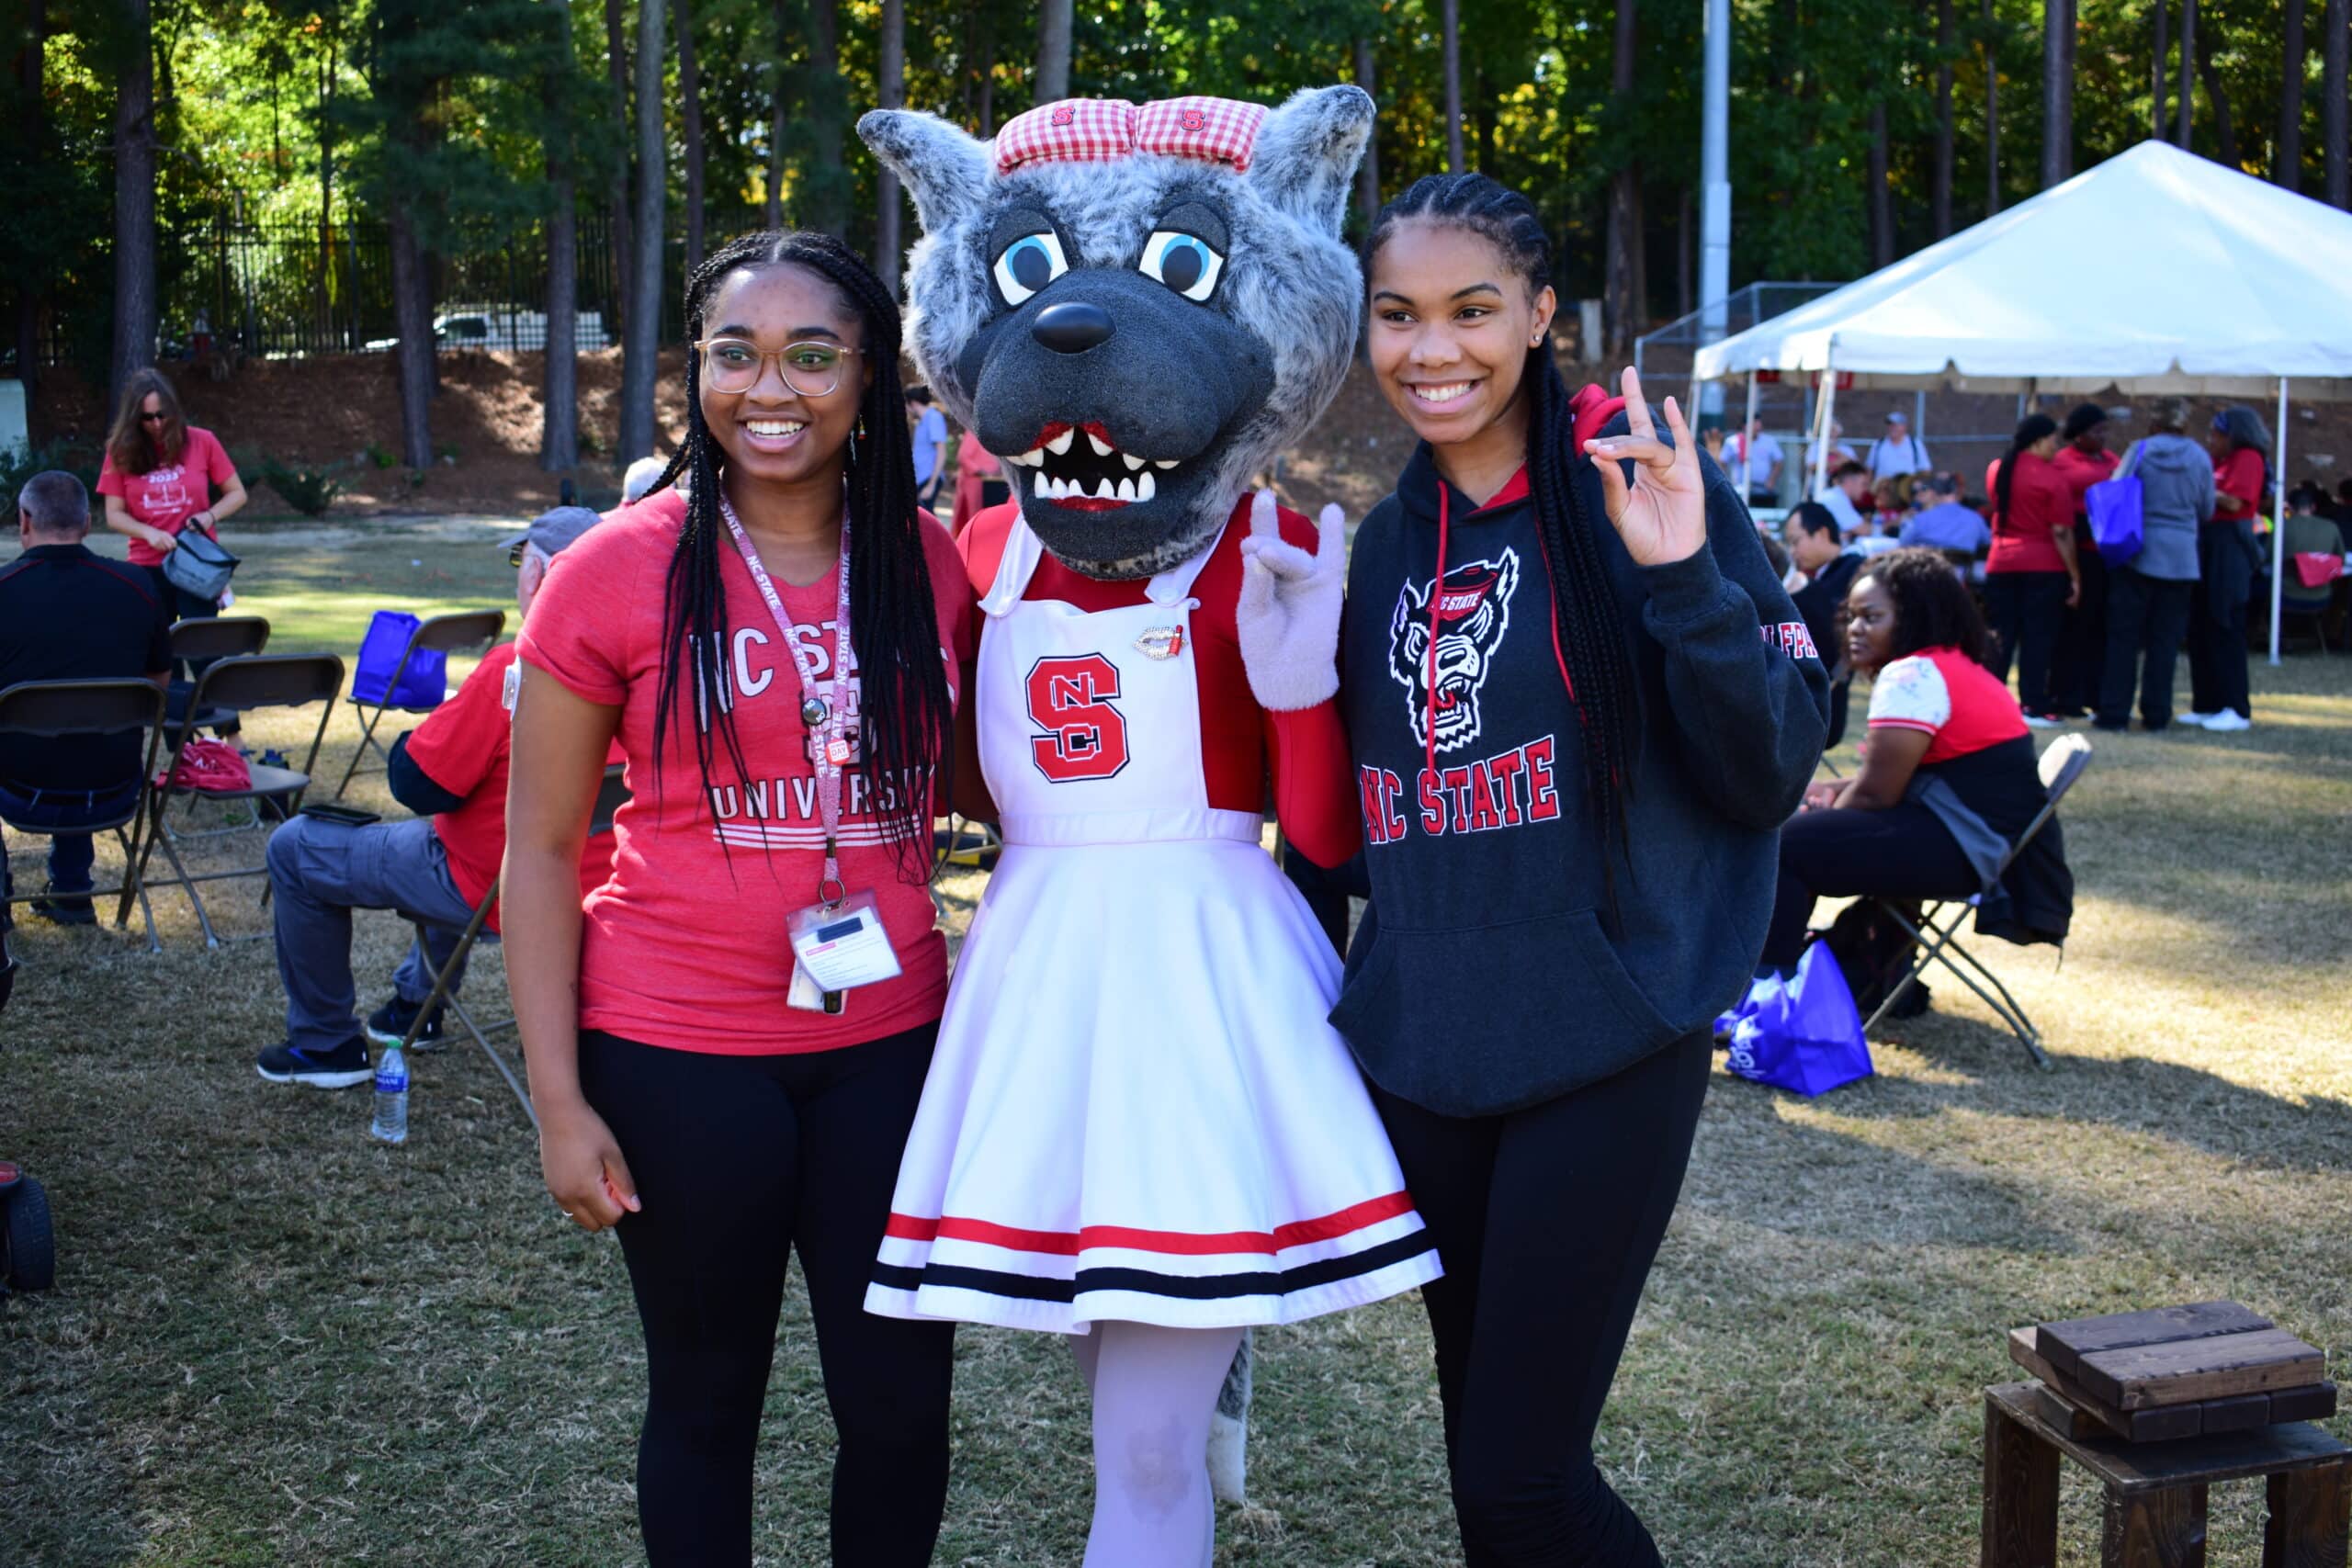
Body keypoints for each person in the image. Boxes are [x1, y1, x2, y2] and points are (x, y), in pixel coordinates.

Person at [1345, 174, 1828, 1566]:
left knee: (1520, 1479)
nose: (1432, 349)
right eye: (1399, 314)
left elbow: (1771, 768)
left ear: (1543, 314)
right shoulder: (1383, 540)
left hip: (1607, 1030)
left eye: (1472, 309)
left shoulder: (1644, 479)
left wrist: (1685, 578)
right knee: (1485, 1463)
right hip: (1432, 1045)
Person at [503, 231, 971, 1566]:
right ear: (695, 370)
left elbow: (1004, 781)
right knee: (707, 1403)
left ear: (871, 375)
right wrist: (559, 1098)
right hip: (677, 1054)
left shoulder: (925, 561)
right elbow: (539, 851)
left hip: (892, 1046)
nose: (773, 386)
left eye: (813, 354)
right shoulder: (616, 566)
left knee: (900, 1411)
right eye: (735, 352)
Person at [253, 506, 616, 1088]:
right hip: (599, 887)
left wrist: (422, 733)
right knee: (470, 829)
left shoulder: (518, 668)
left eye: (520, 561)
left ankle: (325, 1047)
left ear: (541, 575)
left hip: (502, 886)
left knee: (297, 847)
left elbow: (418, 785)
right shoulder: (648, 665)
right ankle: (413, 1010)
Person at [1766, 547, 2071, 974]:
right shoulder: (1957, 666)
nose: (1854, 629)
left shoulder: (1912, 675)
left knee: (1786, 844)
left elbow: (1875, 795)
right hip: (1986, 845)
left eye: (1871, 617)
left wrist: (1820, 812)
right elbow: (1905, 777)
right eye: (1851, 616)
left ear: (1913, 618)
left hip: (1966, 848)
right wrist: (1829, 794)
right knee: (1805, 831)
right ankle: (1853, 975)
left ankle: (1765, 988)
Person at [0, 471, 171, 925]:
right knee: (81, 727)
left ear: (24, 521)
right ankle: (73, 891)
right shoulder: (137, 586)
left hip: (17, 791)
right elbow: (158, 687)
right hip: (115, 786)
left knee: (40, 738)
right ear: (88, 523)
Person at [97, 367, 247, 631]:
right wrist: (148, 533)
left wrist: (209, 516)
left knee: (203, 650)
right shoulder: (120, 451)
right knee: (159, 657)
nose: (156, 424)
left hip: (196, 563)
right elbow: (114, 514)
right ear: (134, 418)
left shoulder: (202, 441)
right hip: (148, 566)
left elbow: (237, 493)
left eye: (161, 415)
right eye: (147, 417)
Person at [2095, 398, 2211, 733]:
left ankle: (2115, 713)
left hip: (2138, 553)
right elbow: (2206, 508)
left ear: (2154, 423)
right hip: (2181, 559)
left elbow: (2116, 492)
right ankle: (2157, 714)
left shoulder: (2140, 451)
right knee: (2165, 642)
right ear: (2184, 424)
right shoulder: (2199, 457)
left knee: (2123, 639)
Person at [1982, 413, 2079, 725]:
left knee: (2001, 637)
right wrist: (2076, 576)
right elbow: (2062, 532)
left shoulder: (1998, 469)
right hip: (2042, 566)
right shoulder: (2051, 478)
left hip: (2001, 562)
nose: (2056, 447)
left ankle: (1991, 700)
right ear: (2038, 441)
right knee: (2037, 638)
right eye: (2053, 441)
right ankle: (2034, 703)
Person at [2187, 406, 2268, 731]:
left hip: (2230, 545)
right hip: (2208, 542)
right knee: (2202, 625)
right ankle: (2206, 703)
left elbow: (2235, 501)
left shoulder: (2248, 457)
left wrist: (2201, 488)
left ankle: (2235, 707)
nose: (2211, 440)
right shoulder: (2218, 461)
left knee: (2225, 622)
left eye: (2217, 434)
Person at [2047, 403, 2118, 717]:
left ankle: (2097, 693)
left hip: (2107, 554)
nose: (2102, 437)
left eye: (2105, 430)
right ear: (2077, 435)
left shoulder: (2110, 459)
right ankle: (2067, 695)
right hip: (2078, 553)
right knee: (2074, 628)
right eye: (2095, 431)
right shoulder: (2063, 463)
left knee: (2101, 627)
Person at [1787, 502, 1859, 745]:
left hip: (1825, 699)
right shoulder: (1821, 578)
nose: (1793, 551)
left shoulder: (1855, 572)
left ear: (1822, 534)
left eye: (1796, 541)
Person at [1900, 471, 1992, 556]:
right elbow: (1988, 542)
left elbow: (1903, 543)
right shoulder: (1975, 519)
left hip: (1929, 571)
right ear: (1956, 492)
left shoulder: (1919, 520)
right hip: (1962, 572)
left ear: (1933, 493)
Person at [946, 426, 1001, 535]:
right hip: (975, 484)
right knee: (972, 522)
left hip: (992, 484)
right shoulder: (975, 429)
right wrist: (980, 472)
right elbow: (963, 457)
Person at [906, 385, 949, 515]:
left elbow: (942, 452)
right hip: (920, 478)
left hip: (929, 478)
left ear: (912, 403)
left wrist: (931, 484)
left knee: (927, 518)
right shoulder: (922, 421)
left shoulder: (934, 418)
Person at [1865, 408, 1930, 484]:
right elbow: (1869, 469)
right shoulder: (1878, 444)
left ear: (1904, 427)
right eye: (1890, 425)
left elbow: (1925, 470)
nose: (1893, 428)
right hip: (1883, 489)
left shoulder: (1915, 444)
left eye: (1896, 425)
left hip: (1907, 489)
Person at [1729, 415, 1784, 504]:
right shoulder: (1733, 441)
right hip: (1740, 489)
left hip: (1763, 489)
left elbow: (1779, 461)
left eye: (1758, 428)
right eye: (1754, 427)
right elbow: (1722, 461)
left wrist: (1771, 480)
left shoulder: (1769, 441)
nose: (1757, 430)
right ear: (1745, 426)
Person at [1814, 459, 1872, 536]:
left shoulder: (1836, 495)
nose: (1865, 489)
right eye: (1863, 484)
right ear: (1850, 482)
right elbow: (1864, 530)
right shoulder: (1836, 499)